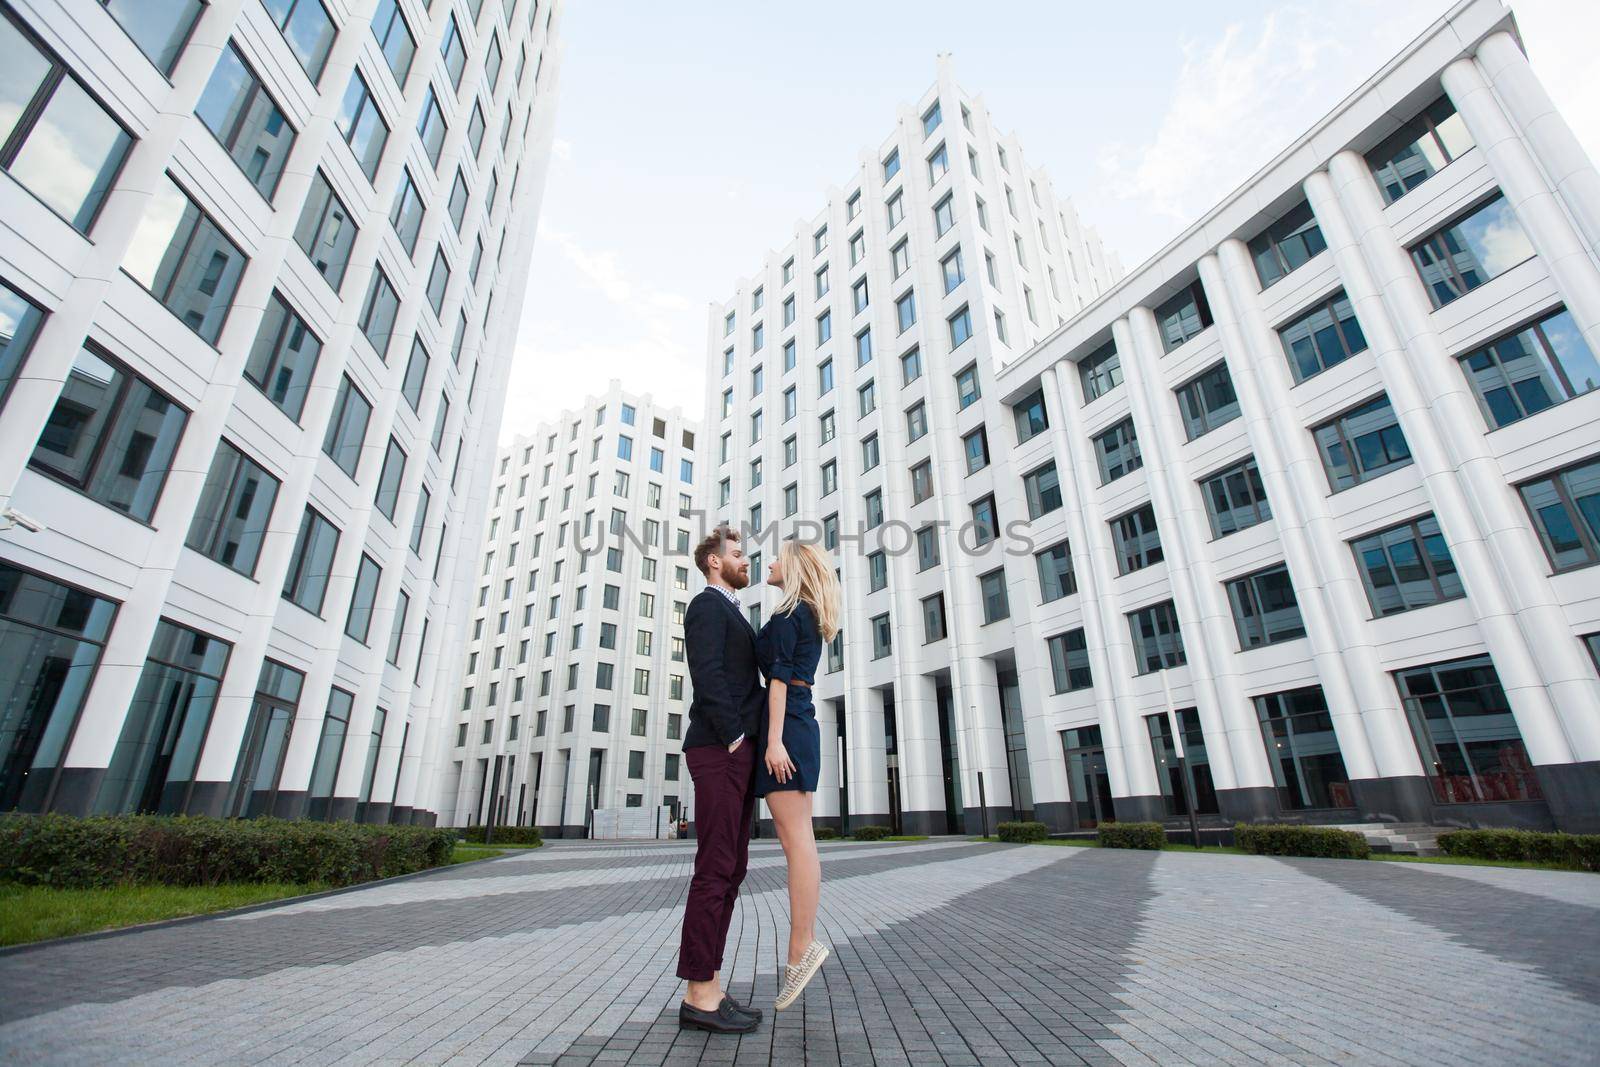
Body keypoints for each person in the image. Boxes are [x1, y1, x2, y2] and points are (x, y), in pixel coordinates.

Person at [675, 526, 765, 1035]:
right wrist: (733, 735)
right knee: (714, 870)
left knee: (732, 870)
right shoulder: (706, 606)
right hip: (717, 749)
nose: (744, 560)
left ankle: (708, 983)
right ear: (714, 562)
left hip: (735, 754)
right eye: (737, 554)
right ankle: (698, 992)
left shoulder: (731, 609)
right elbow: (706, 671)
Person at [754, 539, 841, 1010]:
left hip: (788, 730)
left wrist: (772, 741)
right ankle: (801, 946)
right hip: (799, 726)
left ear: (793, 567)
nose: (768, 563)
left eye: (775, 558)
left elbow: (780, 681)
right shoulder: (804, 613)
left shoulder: (792, 615)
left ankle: (800, 948)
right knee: (800, 840)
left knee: (796, 843)